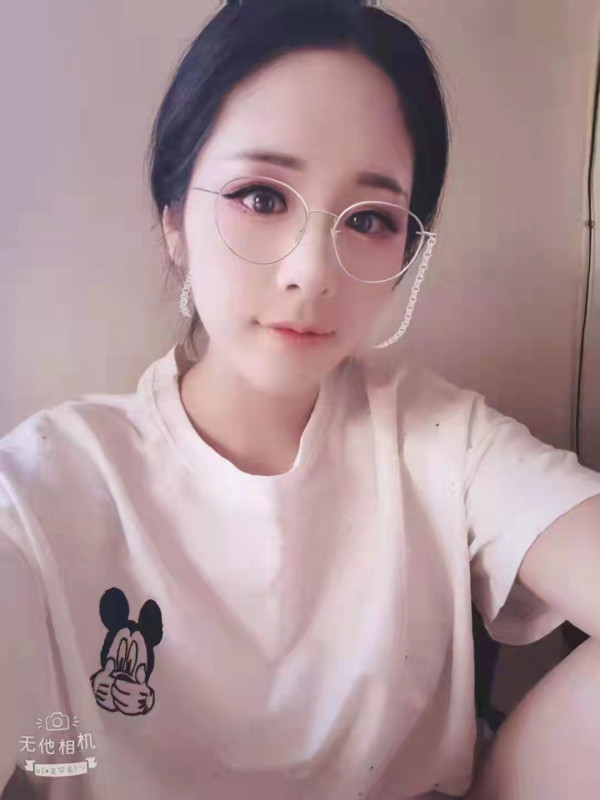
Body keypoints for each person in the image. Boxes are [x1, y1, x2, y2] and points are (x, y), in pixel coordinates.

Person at [2, 1, 600, 798]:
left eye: (370, 218)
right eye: (261, 197)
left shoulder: (440, 439)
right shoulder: (47, 488)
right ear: (174, 219)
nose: (312, 272)